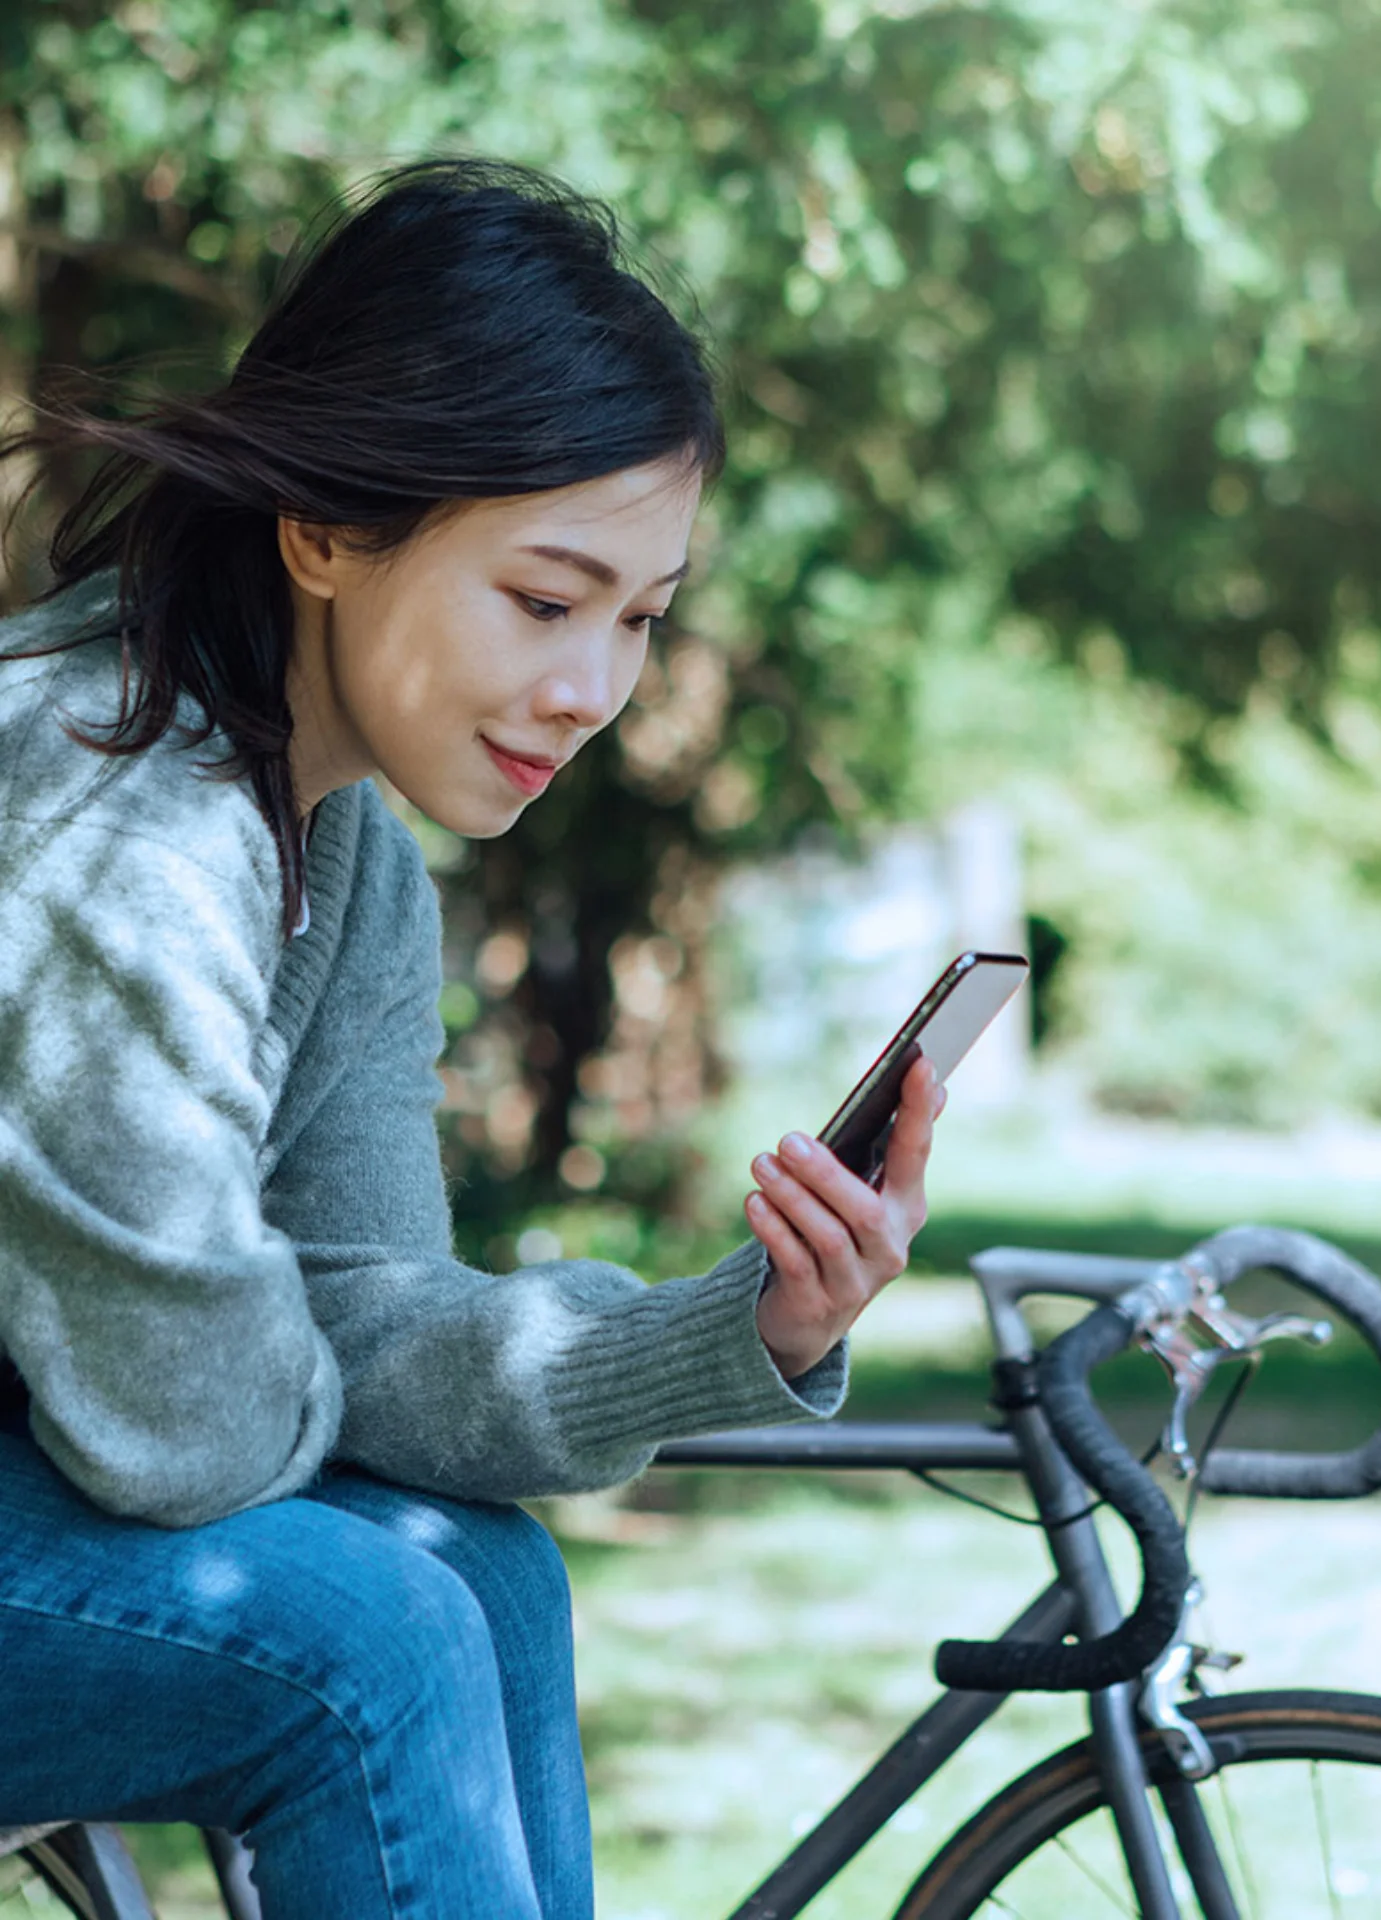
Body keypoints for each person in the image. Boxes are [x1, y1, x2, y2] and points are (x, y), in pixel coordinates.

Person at [0, 159, 943, 1919]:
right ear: (329, 530)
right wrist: (299, 1361)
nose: (596, 690)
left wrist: (739, 1326)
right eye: (544, 598)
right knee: (370, 1627)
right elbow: (186, 1433)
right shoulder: (117, 824)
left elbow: (360, 1309)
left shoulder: (336, 846)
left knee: (482, 1571)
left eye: (641, 619)